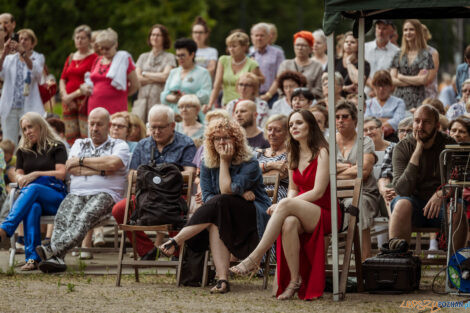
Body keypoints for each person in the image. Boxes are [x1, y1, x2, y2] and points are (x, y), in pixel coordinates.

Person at [230, 110, 341, 300]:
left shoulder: (322, 152)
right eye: (291, 125)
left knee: (285, 206)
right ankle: (294, 281)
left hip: (325, 212)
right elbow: (293, 189)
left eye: (298, 123)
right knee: (288, 223)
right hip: (301, 211)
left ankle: (255, 258)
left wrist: (286, 203)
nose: (294, 127)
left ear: (310, 126)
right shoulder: (293, 154)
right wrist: (288, 202)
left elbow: (318, 192)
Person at [159, 118, 271, 294]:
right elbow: (209, 196)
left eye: (226, 137)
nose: (221, 142)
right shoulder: (207, 162)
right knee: (215, 218)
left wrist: (225, 162)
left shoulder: (249, 162)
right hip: (223, 212)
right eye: (216, 139)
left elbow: (225, 192)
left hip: (252, 214)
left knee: (221, 203)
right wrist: (240, 193)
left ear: (236, 139)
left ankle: (177, 240)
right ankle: (222, 280)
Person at [36, 107, 130, 273]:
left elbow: (113, 164)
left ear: (108, 126)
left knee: (83, 218)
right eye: (92, 124)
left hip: (106, 194)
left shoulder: (119, 145)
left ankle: (52, 249)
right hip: (77, 193)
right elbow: (71, 168)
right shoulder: (80, 143)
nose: (94, 128)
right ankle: (57, 259)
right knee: (62, 219)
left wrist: (82, 162)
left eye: (99, 124)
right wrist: (101, 169)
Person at [112, 105, 196, 260]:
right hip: (146, 197)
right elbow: (132, 175)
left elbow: (190, 173)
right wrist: (164, 177)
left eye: (161, 127)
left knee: (178, 211)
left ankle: (177, 253)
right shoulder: (142, 144)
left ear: (172, 125)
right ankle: (147, 251)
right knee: (119, 209)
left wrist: (153, 178)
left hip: (174, 197)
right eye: (153, 127)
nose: (156, 132)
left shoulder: (186, 143)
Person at [388, 105, 468, 256]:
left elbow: (457, 184)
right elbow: (401, 190)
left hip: (443, 206)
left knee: (457, 209)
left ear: (437, 126)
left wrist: (441, 194)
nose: (420, 126)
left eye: (426, 122)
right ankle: (397, 266)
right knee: (401, 204)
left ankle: (456, 267)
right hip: (413, 205)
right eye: (417, 121)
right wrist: (417, 151)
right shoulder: (403, 147)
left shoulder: (450, 145)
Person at [0, 112, 67, 271]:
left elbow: (61, 174)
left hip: (55, 196)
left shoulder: (57, 146)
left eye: (30, 127)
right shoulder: (23, 150)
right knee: (33, 206)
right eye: (24, 129)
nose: (27, 131)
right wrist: (19, 176)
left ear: (41, 126)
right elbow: (19, 174)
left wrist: (36, 174)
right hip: (32, 197)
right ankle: (32, 259)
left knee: (34, 187)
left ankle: (5, 228)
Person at [336, 100, 379, 260]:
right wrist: (350, 166)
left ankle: (365, 262)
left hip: (364, 192)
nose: (340, 120)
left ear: (355, 119)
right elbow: (324, 171)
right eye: (337, 117)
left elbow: (364, 171)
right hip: (335, 193)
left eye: (345, 117)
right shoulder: (328, 141)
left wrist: (336, 169)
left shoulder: (365, 141)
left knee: (358, 204)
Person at [0, 29, 45, 145]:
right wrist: (4, 51)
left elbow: (37, 73)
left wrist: (24, 54)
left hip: (29, 107)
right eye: (20, 39)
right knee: (9, 142)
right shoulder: (10, 58)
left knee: (30, 141)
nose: (23, 41)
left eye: (26, 39)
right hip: (10, 107)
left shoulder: (38, 57)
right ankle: (11, 163)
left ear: (32, 42)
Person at [81, 28, 140, 115]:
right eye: (102, 49)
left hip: (115, 107)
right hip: (94, 106)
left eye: (107, 48)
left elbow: (135, 85)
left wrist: (120, 95)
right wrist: (85, 87)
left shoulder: (124, 60)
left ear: (116, 44)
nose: (104, 51)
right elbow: (91, 81)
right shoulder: (97, 60)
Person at [60, 25, 98, 145]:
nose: (79, 40)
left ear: (89, 40)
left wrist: (70, 96)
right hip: (68, 102)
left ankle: (86, 160)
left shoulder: (94, 57)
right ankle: (73, 158)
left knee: (86, 134)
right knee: (70, 135)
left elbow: (92, 81)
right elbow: (62, 78)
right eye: (77, 38)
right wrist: (65, 96)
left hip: (84, 101)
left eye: (83, 38)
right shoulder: (71, 57)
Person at [208, 32, 264, 111]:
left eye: (234, 46)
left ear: (244, 47)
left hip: (244, 106)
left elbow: (254, 89)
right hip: (226, 104)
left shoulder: (252, 64)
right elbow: (216, 85)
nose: (231, 49)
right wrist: (210, 104)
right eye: (229, 46)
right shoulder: (223, 60)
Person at [134, 24, 176, 123]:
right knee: (139, 129)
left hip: (159, 101)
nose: (155, 37)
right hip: (142, 100)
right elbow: (137, 79)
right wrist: (157, 76)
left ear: (164, 38)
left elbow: (166, 77)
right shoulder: (143, 57)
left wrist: (145, 73)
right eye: (153, 35)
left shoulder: (169, 57)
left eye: (158, 35)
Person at [265, 31, 323, 102]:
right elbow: (279, 86)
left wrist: (302, 97)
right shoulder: (285, 64)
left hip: (309, 102)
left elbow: (319, 89)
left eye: (303, 45)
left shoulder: (317, 66)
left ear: (311, 49)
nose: (300, 48)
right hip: (287, 102)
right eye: (297, 45)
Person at [160, 38, 212, 117]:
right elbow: (164, 95)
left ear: (192, 54)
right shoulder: (173, 72)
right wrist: (173, 98)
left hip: (195, 117)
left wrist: (185, 98)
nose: (180, 58)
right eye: (178, 56)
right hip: (174, 115)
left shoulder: (203, 73)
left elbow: (206, 96)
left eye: (183, 55)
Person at [390, 20, 434, 110]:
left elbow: (423, 80)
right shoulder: (398, 54)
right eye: (405, 30)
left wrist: (401, 77)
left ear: (418, 32)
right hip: (398, 100)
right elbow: (392, 80)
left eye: (411, 29)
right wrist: (414, 80)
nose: (408, 33)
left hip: (417, 100)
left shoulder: (425, 55)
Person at [365, 70, 406, 140]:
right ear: (374, 87)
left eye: (384, 85)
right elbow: (366, 122)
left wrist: (375, 120)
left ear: (390, 86)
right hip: (370, 138)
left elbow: (398, 122)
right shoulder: (368, 103)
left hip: (393, 138)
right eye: (378, 85)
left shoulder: (399, 102)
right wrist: (388, 119)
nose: (381, 89)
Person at [250, 23, 285, 106]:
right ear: (252, 37)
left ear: (269, 37)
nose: (259, 38)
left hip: (273, 97)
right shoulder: (250, 54)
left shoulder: (278, 53)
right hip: (253, 97)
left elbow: (279, 76)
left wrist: (268, 95)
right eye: (256, 35)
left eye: (262, 35)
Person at [364, 20, 400, 98]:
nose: (380, 32)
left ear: (391, 31)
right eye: (378, 28)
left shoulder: (397, 52)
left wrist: (379, 91)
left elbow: (394, 76)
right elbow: (361, 72)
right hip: (365, 95)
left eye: (384, 29)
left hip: (387, 97)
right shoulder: (364, 48)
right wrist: (375, 88)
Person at [257, 114, 289, 200]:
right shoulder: (258, 153)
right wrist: (271, 165)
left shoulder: (290, 154)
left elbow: (282, 174)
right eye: (269, 129)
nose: (272, 133)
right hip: (256, 193)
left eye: (278, 130)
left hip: (278, 194)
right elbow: (247, 172)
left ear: (287, 133)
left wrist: (258, 172)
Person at [335, 31, 370, 96]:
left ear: (358, 46)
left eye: (352, 42)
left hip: (354, 99)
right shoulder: (335, 61)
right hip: (335, 98)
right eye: (346, 42)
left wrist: (348, 62)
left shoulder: (364, 64)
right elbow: (326, 82)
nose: (349, 44)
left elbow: (358, 81)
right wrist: (344, 88)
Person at [422, 24, 439, 99]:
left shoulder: (433, 52)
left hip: (429, 96)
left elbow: (429, 79)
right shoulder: (409, 52)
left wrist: (408, 81)